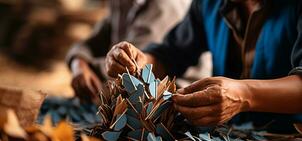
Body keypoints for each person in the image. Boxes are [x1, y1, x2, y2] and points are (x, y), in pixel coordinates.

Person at [105, 0, 302, 133]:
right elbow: (171, 54)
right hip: (235, 139)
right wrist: (139, 62)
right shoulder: (210, 3)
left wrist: (244, 94)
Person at [67, 0, 191, 103]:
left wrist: (87, 69)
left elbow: (128, 71)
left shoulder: (164, 5)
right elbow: (90, 43)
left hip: (174, 98)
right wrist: (79, 64)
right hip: (126, 94)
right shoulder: (123, 3)